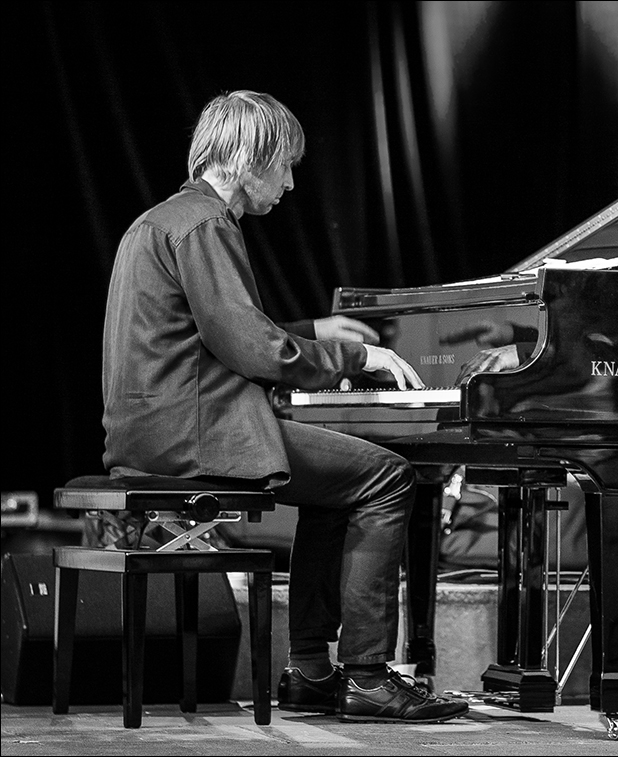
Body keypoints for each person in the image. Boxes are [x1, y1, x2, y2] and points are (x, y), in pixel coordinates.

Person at [101, 90, 469, 724]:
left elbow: (207, 336)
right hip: (195, 434)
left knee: (343, 485)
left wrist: (314, 330)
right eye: (286, 165)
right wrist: (360, 360)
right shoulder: (206, 225)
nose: (292, 183)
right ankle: (367, 675)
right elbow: (251, 350)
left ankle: (310, 672)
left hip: (155, 427)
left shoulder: (166, 220)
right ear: (250, 158)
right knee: (387, 478)